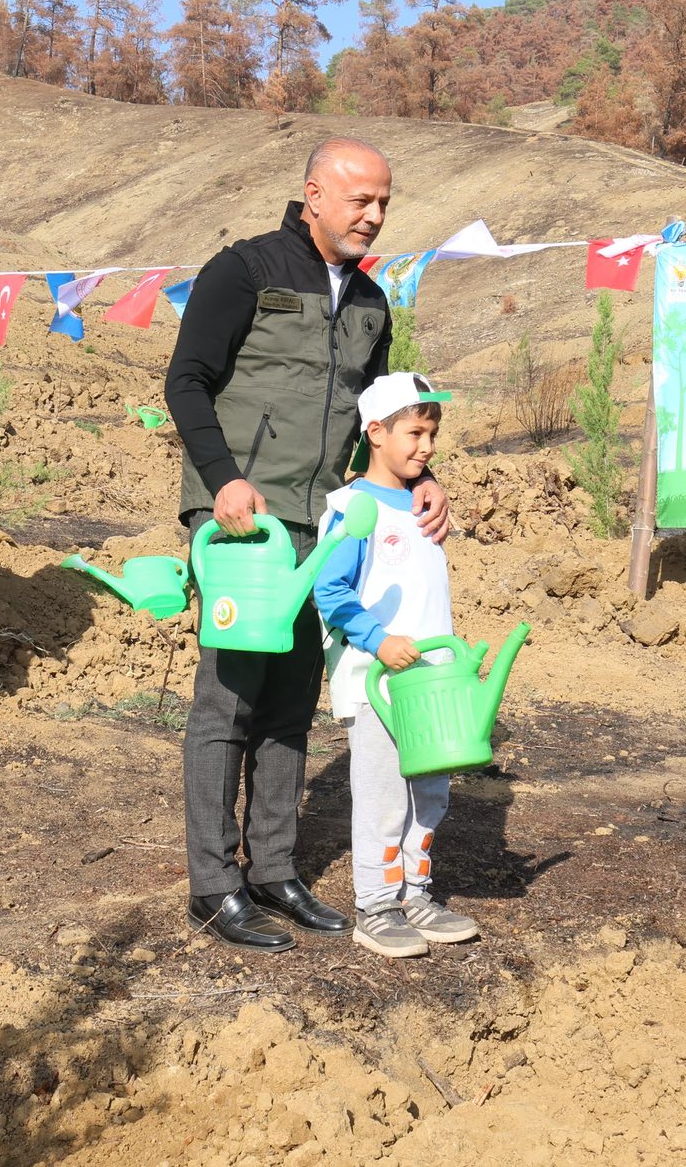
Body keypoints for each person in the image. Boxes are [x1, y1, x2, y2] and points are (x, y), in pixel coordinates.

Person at [164, 137, 449, 952]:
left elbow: (384, 421)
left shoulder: (371, 301)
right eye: (360, 200)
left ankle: (275, 871)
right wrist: (221, 480)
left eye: (385, 203)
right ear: (314, 194)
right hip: (244, 521)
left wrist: (420, 477)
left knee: (292, 699)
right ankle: (215, 884)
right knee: (229, 700)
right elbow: (186, 379)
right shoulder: (245, 270)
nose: (374, 215)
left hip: (324, 524)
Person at [314, 373, 480, 958]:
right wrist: (377, 639)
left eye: (432, 433)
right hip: (379, 684)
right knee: (384, 795)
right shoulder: (353, 509)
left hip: (431, 687)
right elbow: (329, 591)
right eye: (415, 432)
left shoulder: (423, 502)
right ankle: (377, 906)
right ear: (376, 432)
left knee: (429, 793)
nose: (427, 446)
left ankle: (418, 894)